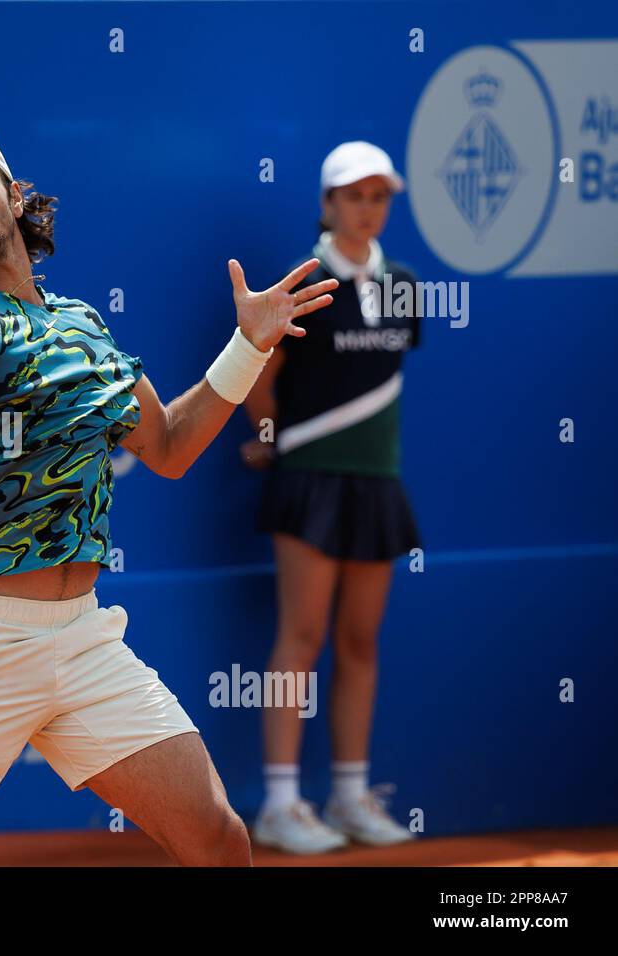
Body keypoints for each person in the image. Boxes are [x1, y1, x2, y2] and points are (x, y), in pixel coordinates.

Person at [0, 125, 337, 866]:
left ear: (13, 196)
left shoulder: (85, 328)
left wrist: (251, 344)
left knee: (220, 839)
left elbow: (168, 446)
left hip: (79, 640)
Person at [242, 142, 421, 854]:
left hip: (376, 478)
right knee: (302, 634)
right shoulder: (304, 284)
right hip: (309, 479)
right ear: (327, 203)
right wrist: (266, 433)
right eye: (354, 195)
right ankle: (281, 805)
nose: (367, 208)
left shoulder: (403, 283)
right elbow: (261, 371)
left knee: (359, 641)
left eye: (379, 196)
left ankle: (349, 796)